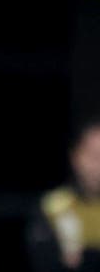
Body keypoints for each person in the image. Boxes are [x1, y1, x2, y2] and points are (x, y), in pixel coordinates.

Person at [26, 116, 100, 272]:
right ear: (76, 157)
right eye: (94, 155)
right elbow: (43, 259)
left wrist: (84, 255)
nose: (98, 165)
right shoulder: (54, 206)